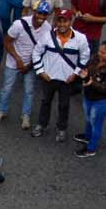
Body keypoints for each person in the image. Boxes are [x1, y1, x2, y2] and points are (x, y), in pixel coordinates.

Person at [30, 7, 91, 142]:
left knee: (64, 105)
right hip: (48, 77)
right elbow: (36, 53)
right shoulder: (47, 36)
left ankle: (61, 128)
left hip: (67, 79)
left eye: (65, 21)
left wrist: (75, 74)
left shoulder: (81, 39)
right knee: (45, 102)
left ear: (71, 21)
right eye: (60, 21)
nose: (62, 24)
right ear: (56, 22)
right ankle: (42, 124)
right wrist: (40, 71)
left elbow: (85, 57)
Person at [0, 2, 51, 130]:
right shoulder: (18, 25)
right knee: (7, 88)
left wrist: (30, 64)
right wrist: (18, 59)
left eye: (44, 14)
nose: (41, 17)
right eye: (39, 13)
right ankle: (1, 111)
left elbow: (43, 50)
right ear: (33, 11)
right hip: (13, 62)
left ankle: (25, 115)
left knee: (29, 91)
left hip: (31, 65)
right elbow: (8, 43)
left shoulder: (48, 28)